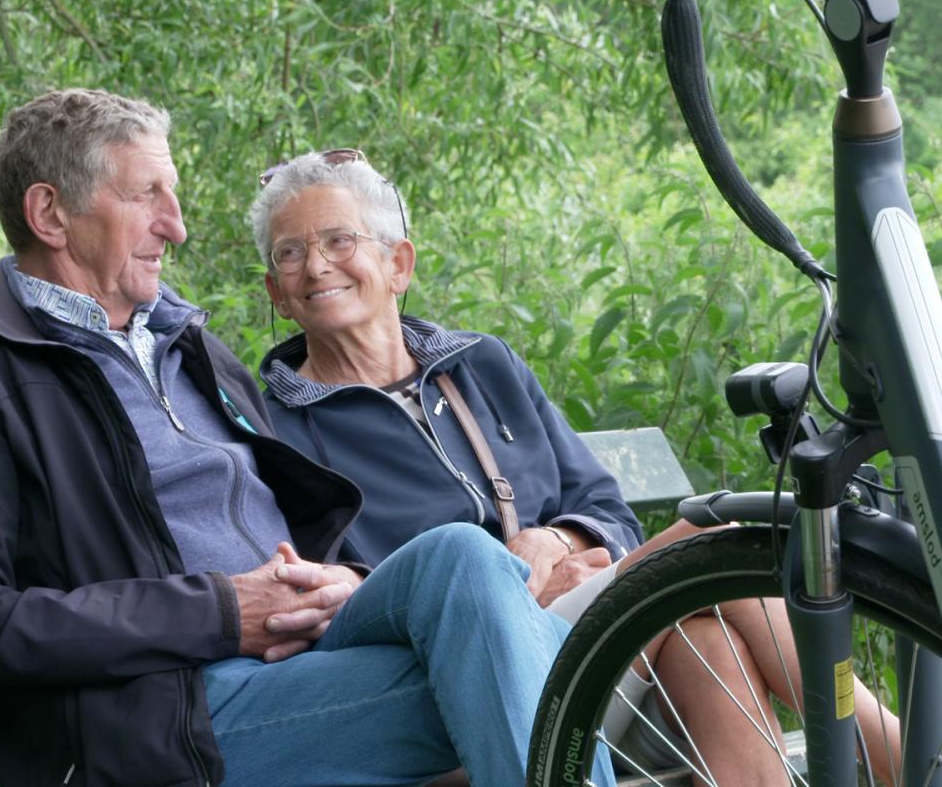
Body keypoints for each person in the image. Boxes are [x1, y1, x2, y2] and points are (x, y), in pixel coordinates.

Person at [0, 90, 617, 787]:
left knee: (463, 554)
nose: (174, 227)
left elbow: (298, 528)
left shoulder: (186, 346)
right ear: (50, 214)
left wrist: (339, 580)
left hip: (313, 650)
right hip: (174, 715)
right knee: (545, 661)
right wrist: (222, 613)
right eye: (146, 196)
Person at [252, 148, 902, 786]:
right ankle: (895, 753)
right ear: (276, 294)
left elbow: (605, 507)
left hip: (581, 646)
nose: (315, 266)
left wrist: (559, 540)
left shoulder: (481, 366)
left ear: (399, 264)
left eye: (339, 240)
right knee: (709, 545)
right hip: (460, 682)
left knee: (703, 635)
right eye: (290, 252)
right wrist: (514, 584)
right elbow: (333, 591)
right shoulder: (272, 428)